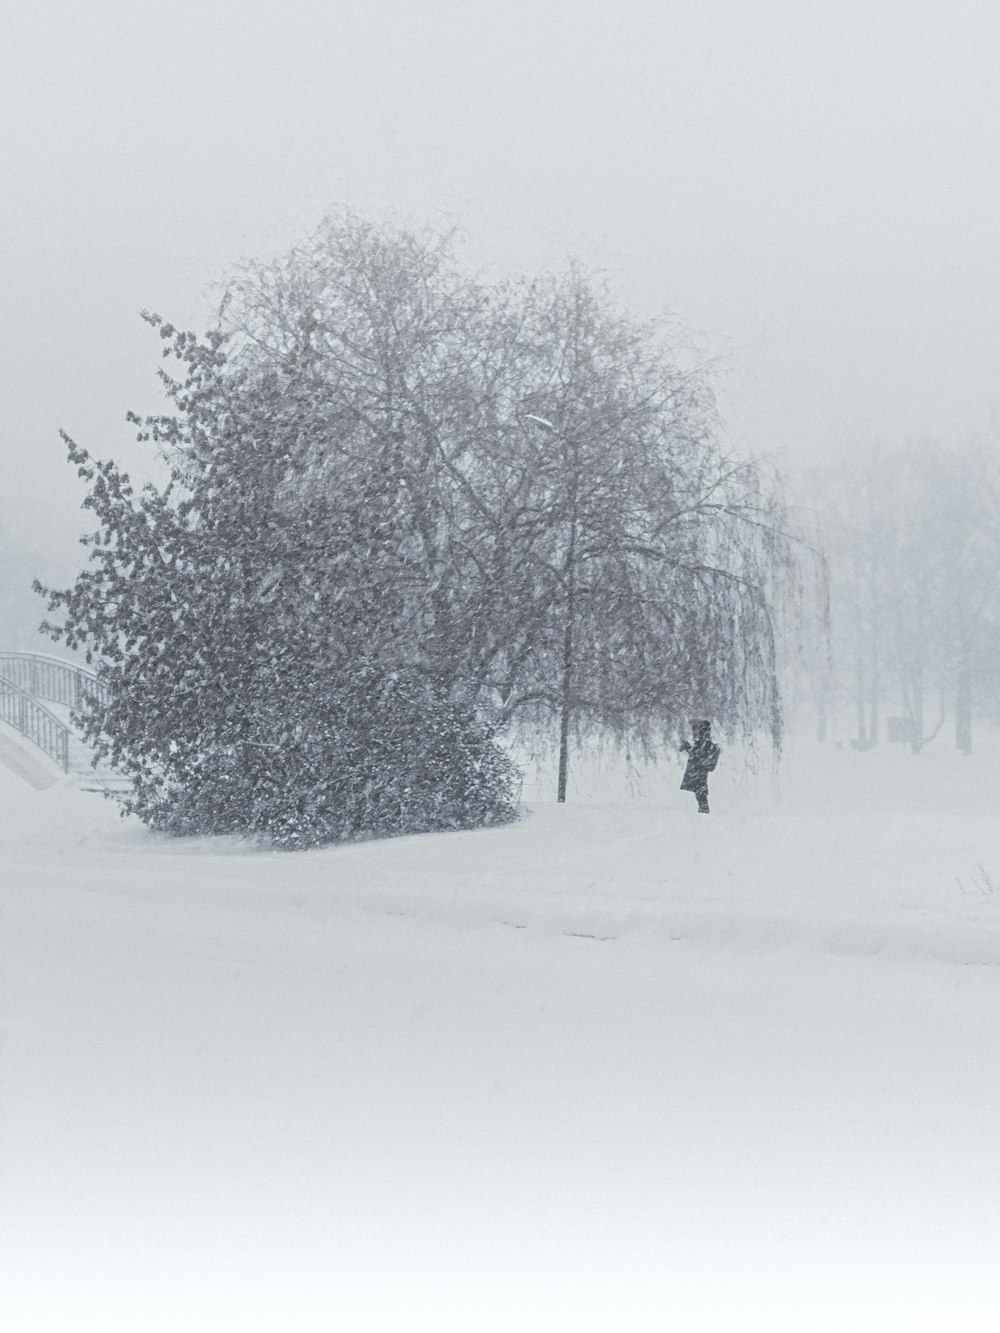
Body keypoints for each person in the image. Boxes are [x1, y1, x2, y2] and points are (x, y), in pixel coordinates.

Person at [679, 719, 720, 814]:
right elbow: (695, 754)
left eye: (698, 729)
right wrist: (688, 747)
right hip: (698, 770)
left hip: (700, 770)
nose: (695, 732)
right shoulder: (701, 743)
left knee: (700, 789)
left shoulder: (705, 743)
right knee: (699, 790)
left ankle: (704, 810)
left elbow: (698, 756)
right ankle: (703, 809)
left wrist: (688, 748)